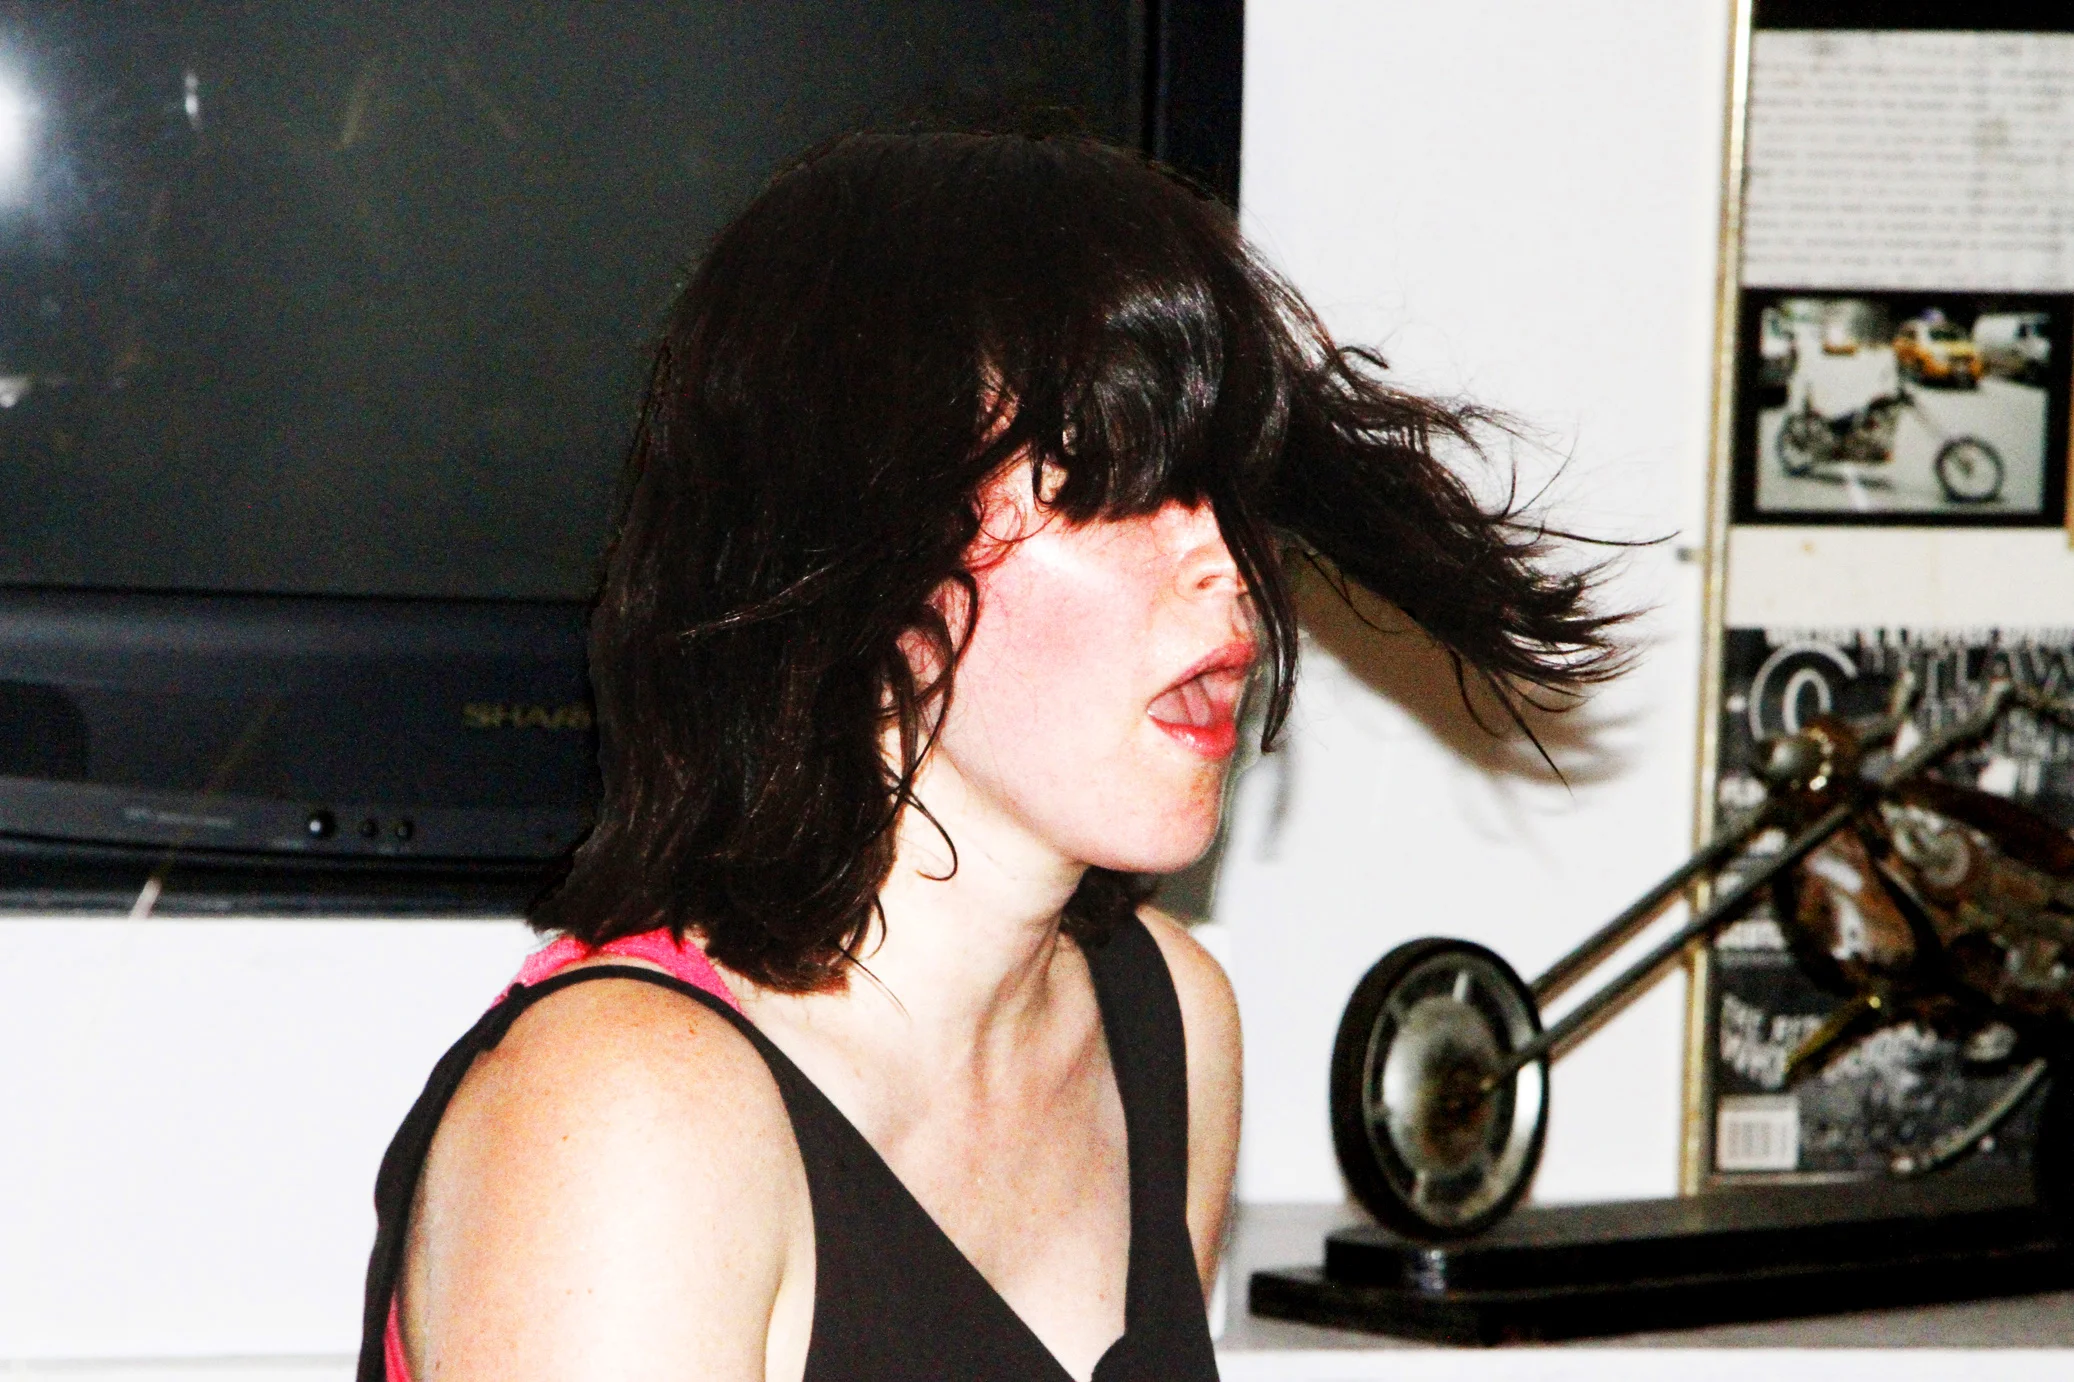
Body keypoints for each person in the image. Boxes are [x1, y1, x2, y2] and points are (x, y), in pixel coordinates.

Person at [358, 131, 1623, 1382]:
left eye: (1230, 487)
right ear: (863, 544)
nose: (1229, 566)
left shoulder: (1170, 1024)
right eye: (1115, 483)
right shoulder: (625, 1116)